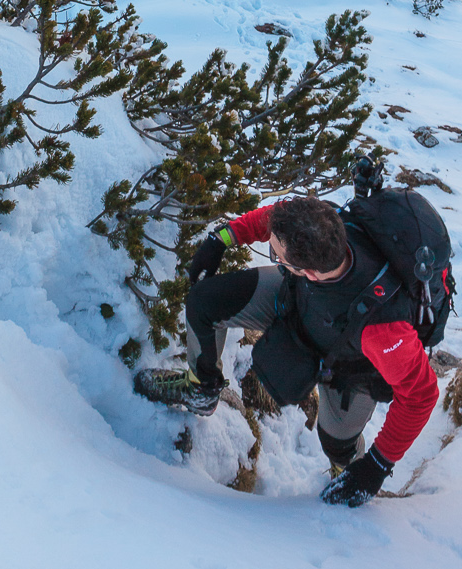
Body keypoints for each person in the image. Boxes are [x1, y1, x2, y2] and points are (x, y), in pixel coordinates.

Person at [139, 193, 440, 506]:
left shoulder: (383, 330)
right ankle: (200, 388)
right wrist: (223, 238)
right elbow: (278, 219)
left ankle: (349, 475)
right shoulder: (329, 220)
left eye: (276, 255)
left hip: (353, 367)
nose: (273, 250)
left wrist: (377, 466)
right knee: (205, 303)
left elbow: (421, 395)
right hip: (298, 305)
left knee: (337, 442)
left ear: (305, 271)